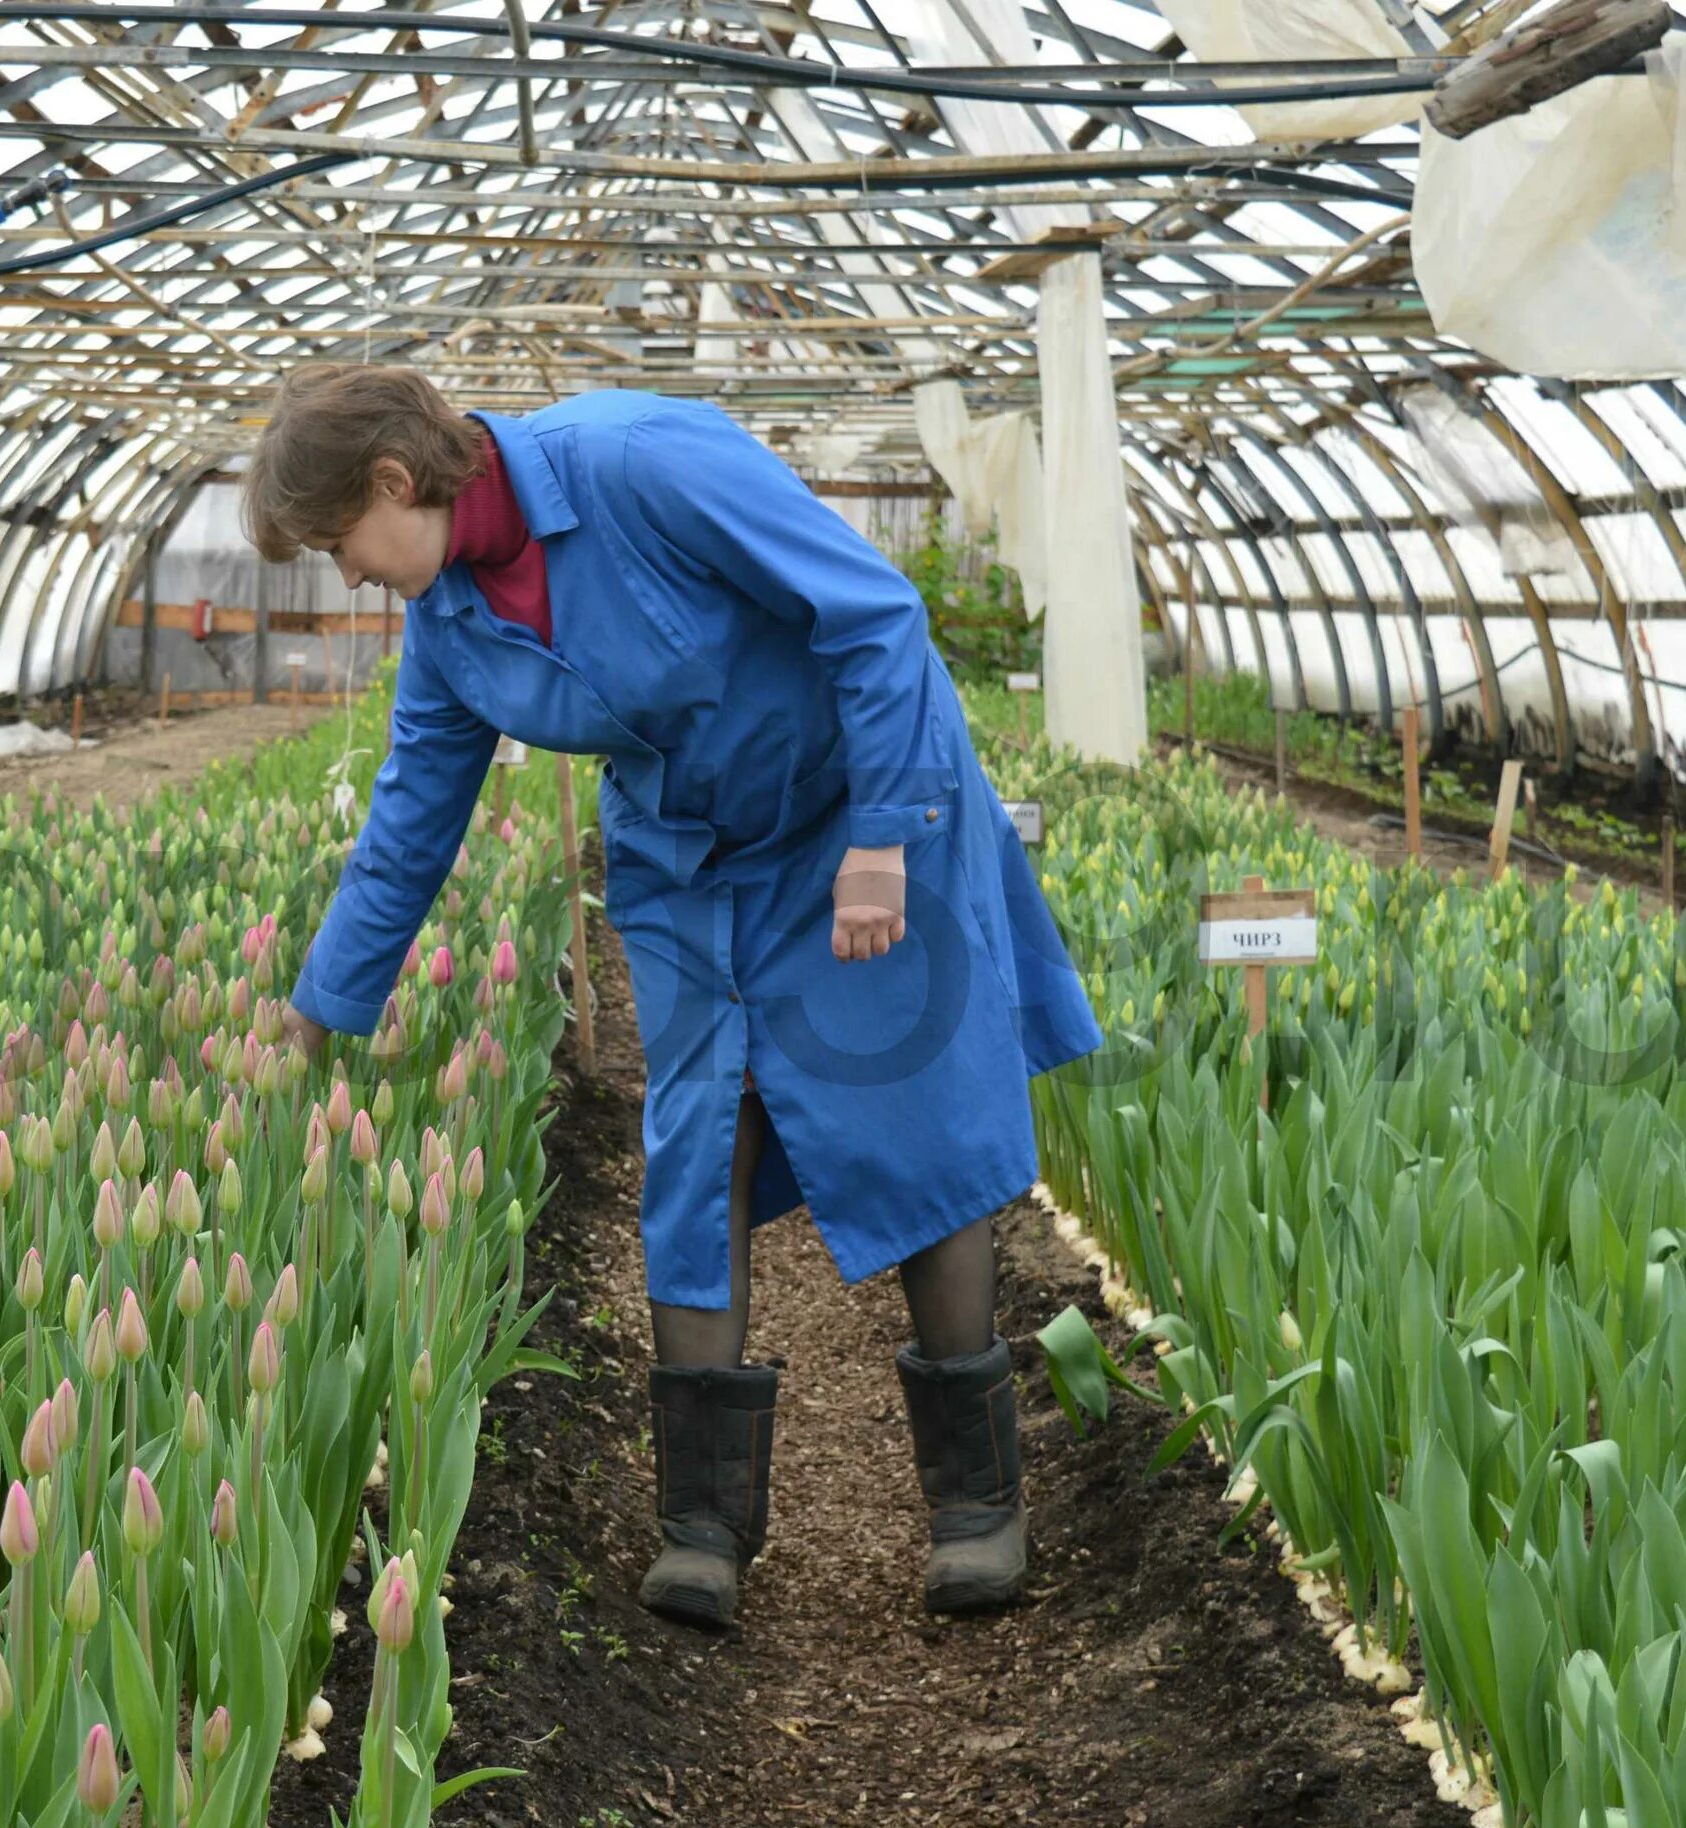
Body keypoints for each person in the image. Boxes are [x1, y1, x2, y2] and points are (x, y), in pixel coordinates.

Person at [245, 365, 1103, 1629]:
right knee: (696, 1144)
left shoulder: (640, 460)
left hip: (843, 815)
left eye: (339, 545)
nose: (350, 577)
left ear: (393, 481)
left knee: (913, 1112)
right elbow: (410, 823)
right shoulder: (453, 623)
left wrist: (882, 841)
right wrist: (321, 1010)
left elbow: (873, 616)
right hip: (685, 863)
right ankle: (701, 1524)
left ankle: (976, 1507)